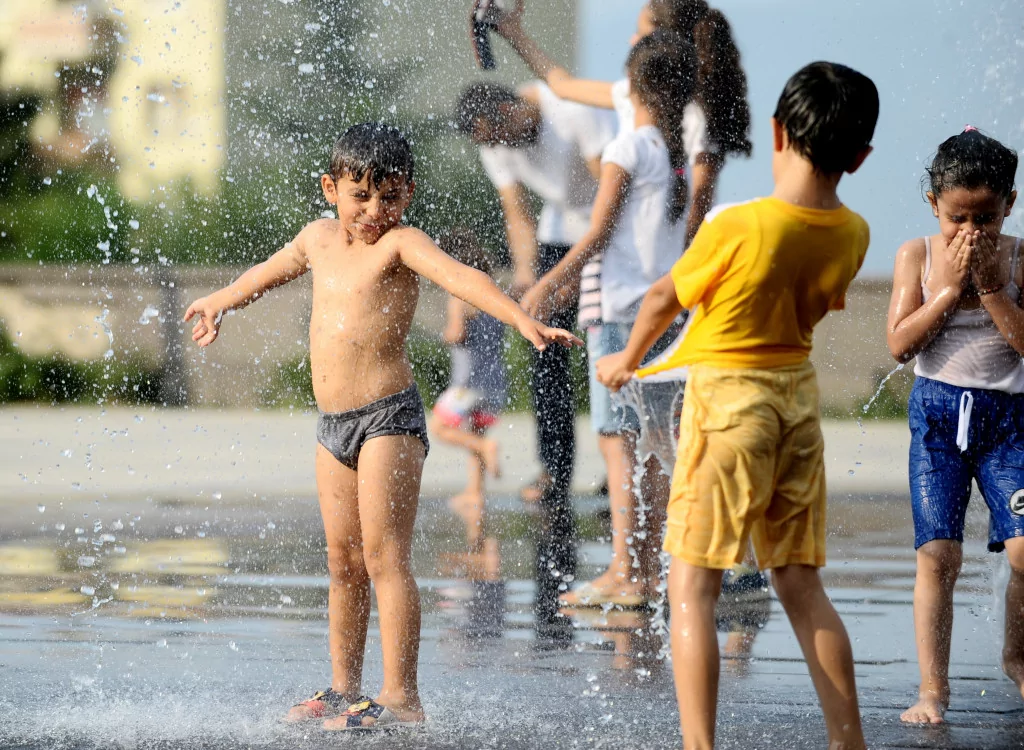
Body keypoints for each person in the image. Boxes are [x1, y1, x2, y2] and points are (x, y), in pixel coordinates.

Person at [183, 123, 580, 731]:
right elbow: (263, 274)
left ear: (409, 195)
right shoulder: (316, 240)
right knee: (342, 562)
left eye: (390, 197)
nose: (374, 211)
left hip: (387, 418)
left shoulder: (402, 244)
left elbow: (462, 279)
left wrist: (521, 320)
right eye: (361, 195)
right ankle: (344, 689)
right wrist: (219, 301)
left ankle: (402, 697)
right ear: (331, 188)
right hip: (332, 424)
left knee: (384, 556)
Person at [596, 61, 878, 750]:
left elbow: (665, 297)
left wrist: (626, 358)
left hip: (729, 407)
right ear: (861, 156)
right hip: (797, 408)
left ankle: (700, 746)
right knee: (800, 583)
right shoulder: (854, 233)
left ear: (779, 132)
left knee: (693, 587)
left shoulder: (739, 224)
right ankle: (850, 742)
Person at [521, 30, 695, 607]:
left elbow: (595, 232)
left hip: (619, 311)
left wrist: (547, 283)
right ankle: (649, 571)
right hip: (668, 310)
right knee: (656, 444)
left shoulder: (626, 149)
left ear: (635, 87)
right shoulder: (676, 155)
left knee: (618, 444)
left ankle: (627, 572)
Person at [886, 127, 1024, 724]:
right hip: (938, 418)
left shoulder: (1019, 257)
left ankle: (1016, 657)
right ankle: (932, 689)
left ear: (1009, 206)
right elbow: (898, 343)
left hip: (1010, 423)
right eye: (956, 218)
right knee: (938, 553)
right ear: (933, 204)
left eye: (986, 219)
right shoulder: (917, 254)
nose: (970, 233)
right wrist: (947, 292)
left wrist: (992, 289)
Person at [456, 79, 615, 510]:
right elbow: (518, 213)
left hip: (611, 233)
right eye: (491, 142)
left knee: (611, 349)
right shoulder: (494, 142)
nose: (502, 147)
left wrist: (571, 279)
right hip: (558, 233)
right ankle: (555, 470)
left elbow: (609, 196)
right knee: (543, 348)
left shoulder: (570, 109)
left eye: (501, 134)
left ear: (512, 108)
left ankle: (620, 467)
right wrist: (529, 276)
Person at [492, 0, 752, 245]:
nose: (632, 40)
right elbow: (562, 86)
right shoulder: (633, 95)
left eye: (640, 34)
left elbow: (699, 204)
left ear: (666, 44)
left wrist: (677, 278)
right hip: (624, 255)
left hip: (666, 264)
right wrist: (514, 34)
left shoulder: (697, 118)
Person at [428, 228, 507, 563]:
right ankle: (475, 494)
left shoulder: (459, 295)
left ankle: (484, 449)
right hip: (495, 383)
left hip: (466, 383)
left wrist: (447, 334)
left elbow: (457, 334)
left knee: (440, 427)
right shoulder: (492, 291)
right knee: (477, 430)